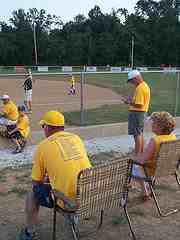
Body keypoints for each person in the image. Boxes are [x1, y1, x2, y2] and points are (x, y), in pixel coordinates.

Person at [19, 110, 92, 240]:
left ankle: (30, 231)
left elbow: (36, 182)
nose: (43, 130)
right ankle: (75, 218)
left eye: (43, 126)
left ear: (47, 127)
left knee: (32, 195)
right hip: (91, 194)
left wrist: (47, 181)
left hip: (69, 201)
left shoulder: (43, 146)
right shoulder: (76, 138)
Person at [132, 111, 176, 200]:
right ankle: (148, 186)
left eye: (154, 123)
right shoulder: (173, 137)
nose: (152, 125)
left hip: (152, 170)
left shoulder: (155, 140)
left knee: (133, 166)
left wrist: (133, 158)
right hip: (167, 168)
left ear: (160, 126)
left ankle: (145, 191)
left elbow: (142, 160)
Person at [121, 70, 150, 154]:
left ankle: (137, 154)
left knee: (137, 134)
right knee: (139, 133)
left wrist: (128, 102)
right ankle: (140, 152)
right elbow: (139, 102)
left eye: (132, 80)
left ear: (136, 78)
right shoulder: (144, 85)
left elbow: (139, 105)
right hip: (140, 113)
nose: (131, 83)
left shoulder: (140, 88)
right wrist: (131, 100)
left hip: (137, 113)